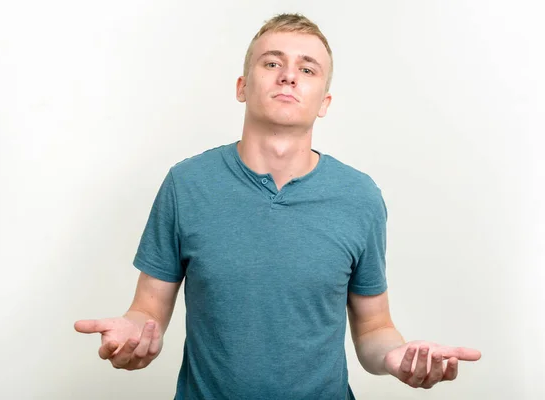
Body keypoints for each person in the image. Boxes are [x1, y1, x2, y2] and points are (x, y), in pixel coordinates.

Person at [74, 12, 481, 399]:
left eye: (307, 69)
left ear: (324, 101)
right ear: (241, 87)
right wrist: (132, 335)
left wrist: (397, 357)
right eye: (272, 63)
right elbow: (147, 309)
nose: (289, 75)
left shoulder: (359, 197)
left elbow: (375, 328)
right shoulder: (187, 184)